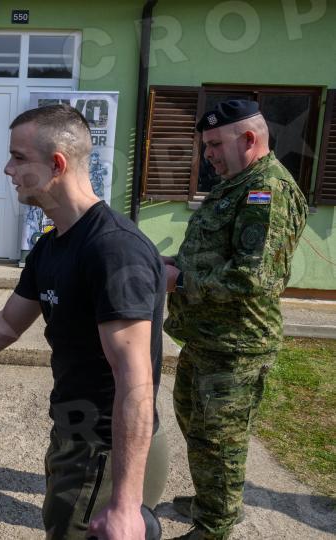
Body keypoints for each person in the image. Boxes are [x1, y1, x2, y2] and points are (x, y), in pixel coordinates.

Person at [0, 105, 166, 539]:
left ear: (57, 164)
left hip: (105, 451)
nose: (7, 169)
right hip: (74, 436)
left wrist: (126, 503)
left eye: (18, 157)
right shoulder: (51, 246)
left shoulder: (112, 249)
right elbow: (4, 326)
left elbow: (135, 379)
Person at [164, 100, 308, 540]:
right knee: (196, 423)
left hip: (236, 345)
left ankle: (215, 526)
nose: (207, 154)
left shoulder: (267, 190)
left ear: (248, 139)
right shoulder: (236, 185)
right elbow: (216, 255)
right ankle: (215, 500)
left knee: (218, 438)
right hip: (208, 338)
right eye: (205, 146)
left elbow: (255, 277)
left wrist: (180, 280)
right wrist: (173, 265)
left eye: (214, 144)